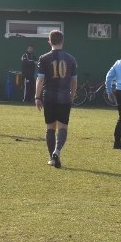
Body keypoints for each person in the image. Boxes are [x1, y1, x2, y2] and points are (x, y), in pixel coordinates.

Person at [34, 30, 77, 169]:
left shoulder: (44, 58)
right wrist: (72, 94)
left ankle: (51, 158)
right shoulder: (71, 59)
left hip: (49, 96)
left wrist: (37, 96)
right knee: (63, 127)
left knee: (50, 127)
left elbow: (40, 80)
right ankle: (57, 151)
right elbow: (74, 81)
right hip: (64, 97)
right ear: (62, 41)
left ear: (49, 42)